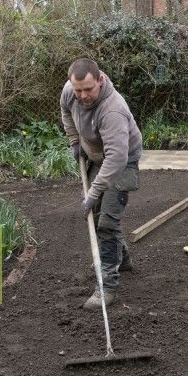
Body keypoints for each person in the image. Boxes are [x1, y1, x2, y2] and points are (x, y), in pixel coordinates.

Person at [60, 58, 143, 310]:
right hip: (97, 155)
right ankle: (121, 259)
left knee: (105, 223)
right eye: (78, 90)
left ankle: (107, 286)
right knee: (101, 218)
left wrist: (93, 193)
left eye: (88, 89)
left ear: (100, 80)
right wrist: (75, 142)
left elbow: (117, 158)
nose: (83, 96)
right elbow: (66, 111)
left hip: (122, 161)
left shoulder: (112, 110)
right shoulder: (69, 91)